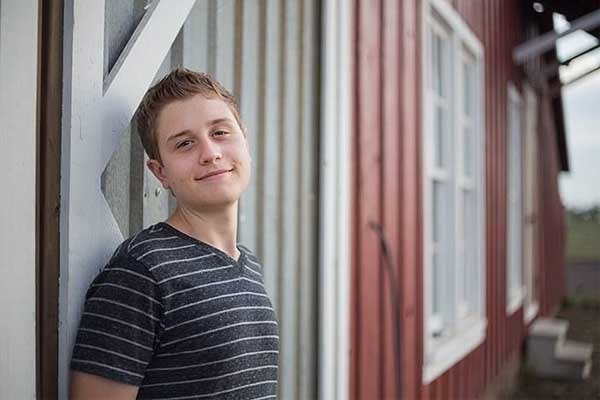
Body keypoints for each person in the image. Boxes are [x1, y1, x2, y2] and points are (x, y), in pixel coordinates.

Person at [69, 68, 279, 399]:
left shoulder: (246, 265)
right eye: (185, 143)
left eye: (220, 132)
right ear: (161, 172)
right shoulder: (141, 272)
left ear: (245, 141)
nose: (210, 153)